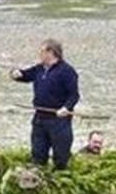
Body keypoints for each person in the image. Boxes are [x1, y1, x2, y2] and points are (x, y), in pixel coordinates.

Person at [10, 38, 80, 170]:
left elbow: (74, 95)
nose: (39, 54)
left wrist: (66, 108)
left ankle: (60, 181)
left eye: (42, 51)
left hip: (59, 120)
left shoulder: (67, 71)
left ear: (51, 52)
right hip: (39, 118)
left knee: (60, 157)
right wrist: (15, 73)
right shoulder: (39, 69)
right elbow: (25, 75)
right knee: (38, 154)